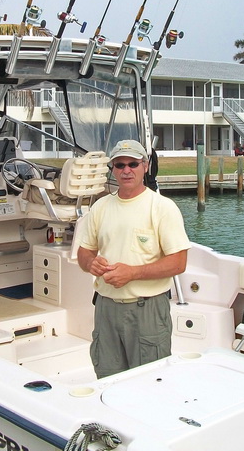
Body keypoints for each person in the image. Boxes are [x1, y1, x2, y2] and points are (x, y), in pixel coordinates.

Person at [77, 140, 190, 378]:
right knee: (107, 378)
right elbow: (84, 253)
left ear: (145, 166)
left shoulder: (163, 208)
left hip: (147, 309)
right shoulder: (100, 207)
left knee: (150, 382)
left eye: (133, 164)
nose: (126, 170)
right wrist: (90, 263)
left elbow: (178, 263)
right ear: (112, 169)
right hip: (105, 308)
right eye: (119, 165)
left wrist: (132, 273)